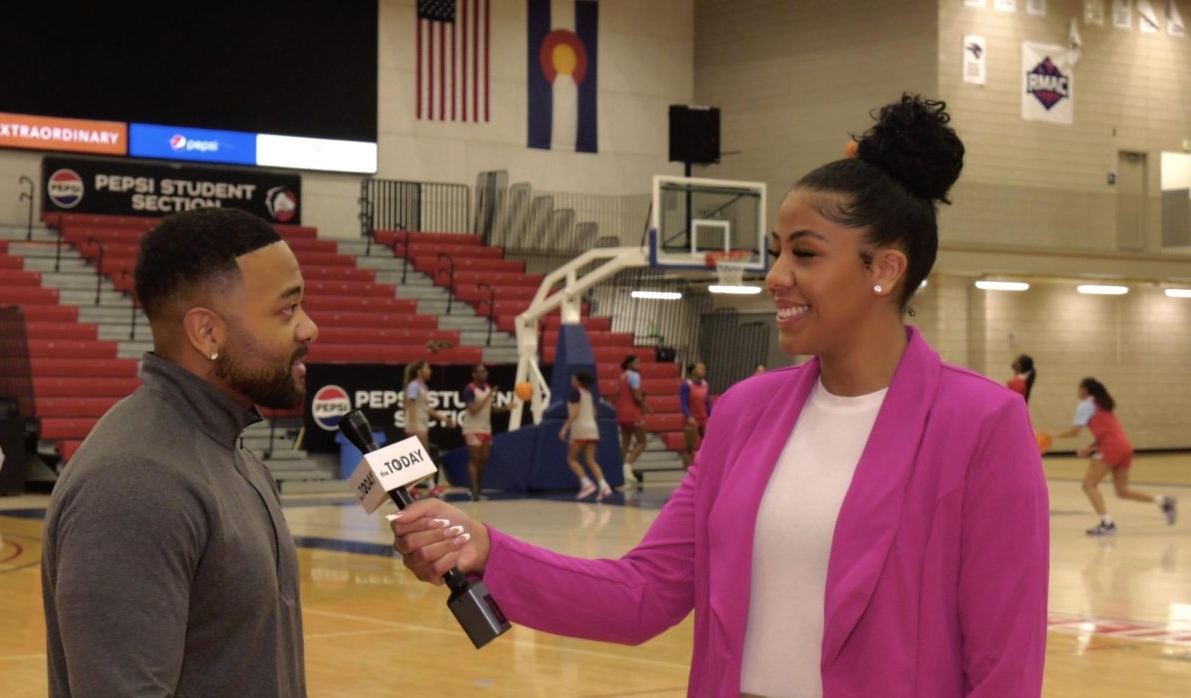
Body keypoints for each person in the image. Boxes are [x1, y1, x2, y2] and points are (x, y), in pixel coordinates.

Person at [387, 95, 1049, 696]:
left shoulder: (981, 424)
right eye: (775, 252)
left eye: (805, 254)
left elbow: (1004, 668)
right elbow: (641, 593)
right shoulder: (744, 415)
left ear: (886, 269)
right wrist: (487, 550)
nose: (776, 277)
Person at [42, 208, 316, 696]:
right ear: (207, 333)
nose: (308, 328)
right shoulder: (134, 484)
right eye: (286, 309)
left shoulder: (233, 458)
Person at [1055, 377, 1176, 535]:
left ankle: (1107, 523)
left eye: (1079, 388)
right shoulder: (1103, 404)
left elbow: (1075, 432)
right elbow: (1107, 432)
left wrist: (1052, 437)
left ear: (1085, 389)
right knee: (1122, 491)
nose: (1077, 391)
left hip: (1111, 447)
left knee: (1088, 485)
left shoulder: (1085, 404)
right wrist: (1090, 448)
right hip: (1124, 446)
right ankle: (1164, 501)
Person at [460, 364, 514, 502]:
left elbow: (490, 409)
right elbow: (474, 410)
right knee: (474, 460)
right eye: (481, 371)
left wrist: (505, 408)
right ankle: (474, 491)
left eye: (485, 371)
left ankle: (478, 487)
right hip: (473, 428)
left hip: (486, 428)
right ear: (474, 374)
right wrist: (489, 395)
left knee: (483, 460)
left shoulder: (488, 388)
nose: (484, 374)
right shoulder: (469, 390)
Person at [404, 360, 456, 498]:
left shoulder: (422, 386)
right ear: (419, 371)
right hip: (417, 426)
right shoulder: (414, 386)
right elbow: (411, 405)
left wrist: (443, 418)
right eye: (428, 368)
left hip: (421, 424)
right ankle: (428, 487)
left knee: (421, 457)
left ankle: (413, 487)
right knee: (421, 457)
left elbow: (426, 408)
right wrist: (414, 426)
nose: (430, 371)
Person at [559, 370, 612, 501]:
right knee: (591, 460)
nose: (572, 379)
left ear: (577, 381)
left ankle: (586, 484)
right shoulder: (588, 394)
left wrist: (564, 428)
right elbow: (595, 413)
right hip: (593, 430)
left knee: (571, 459)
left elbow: (575, 413)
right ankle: (604, 486)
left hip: (580, 430)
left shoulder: (575, 393)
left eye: (573, 377)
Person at [615, 355, 652, 488]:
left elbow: (618, 394)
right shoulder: (635, 376)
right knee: (642, 442)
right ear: (629, 363)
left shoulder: (622, 376)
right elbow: (636, 397)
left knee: (625, 442)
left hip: (622, 413)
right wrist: (646, 407)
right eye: (636, 362)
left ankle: (619, 469)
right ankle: (627, 465)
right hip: (633, 413)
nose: (639, 364)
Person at [679, 362, 712, 470]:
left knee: (709, 444)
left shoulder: (705, 384)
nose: (702, 371)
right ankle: (687, 470)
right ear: (693, 370)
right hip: (691, 419)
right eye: (700, 368)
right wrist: (688, 416)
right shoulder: (686, 384)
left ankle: (705, 467)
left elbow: (707, 403)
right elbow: (683, 403)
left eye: (704, 369)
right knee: (689, 447)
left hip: (703, 418)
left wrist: (711, 415)